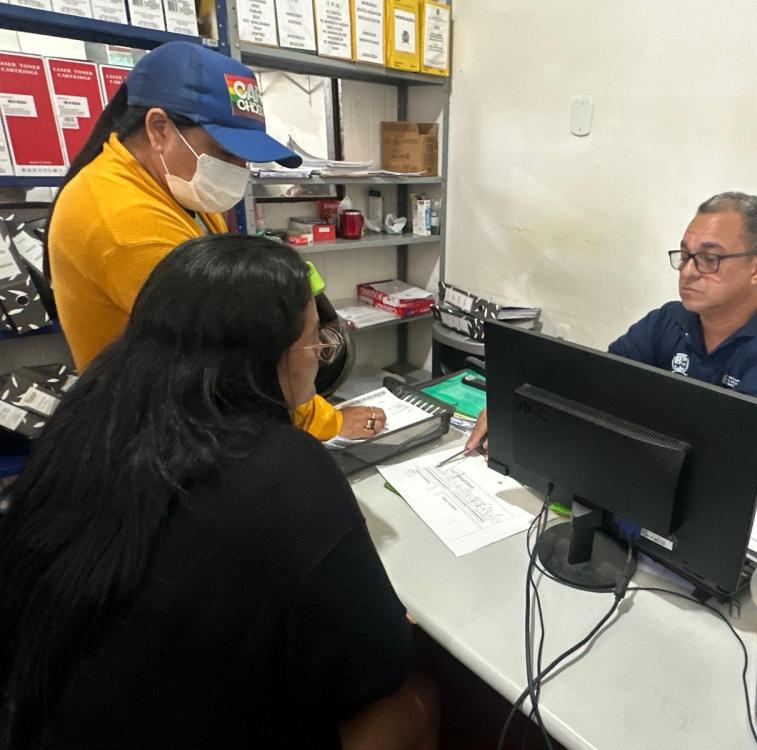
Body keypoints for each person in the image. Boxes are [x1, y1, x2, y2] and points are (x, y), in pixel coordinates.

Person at [0, 235, 438, 750]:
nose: (320, 357)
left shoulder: (88, 417)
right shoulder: (282, 467)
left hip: (40, 718)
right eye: (316, 339)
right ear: (269, 355)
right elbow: (377, 667)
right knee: (416, 698)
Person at [46, 41, 382, 440]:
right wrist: (330, 424)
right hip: (155, 433)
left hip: (186, 410)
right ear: (159, 130)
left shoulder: (171, 186)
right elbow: (233, 361)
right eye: (225, 152)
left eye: (244, 158)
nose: (238, 171)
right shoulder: (124, 222)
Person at [466, 192, 757, 488]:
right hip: (675, 481)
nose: (689, 272)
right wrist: (514, 409)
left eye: (710, 259)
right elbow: (599, 381)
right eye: (686, 255)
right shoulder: (670, 320)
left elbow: (722, 444)